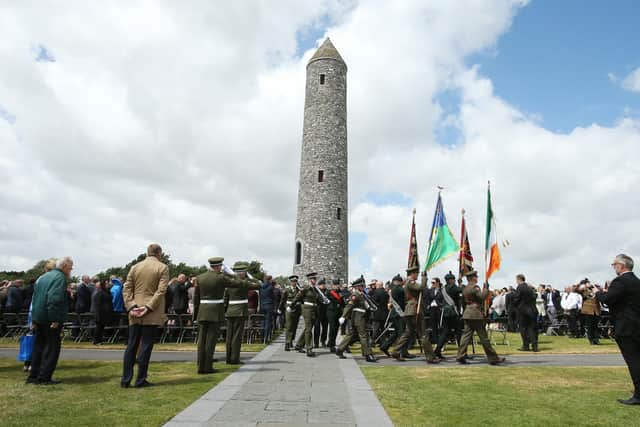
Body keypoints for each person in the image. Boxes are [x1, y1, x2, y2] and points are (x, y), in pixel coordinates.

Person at [121, 244, 169, 388]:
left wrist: (131, 306)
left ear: (147, 253)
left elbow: (127, 288)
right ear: (159, 253)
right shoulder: (162, 267)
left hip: (135, 310)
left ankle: (125, 379)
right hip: (151, 311)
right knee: (146, 346)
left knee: (131, 345)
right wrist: (148, 307)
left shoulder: (135, 267)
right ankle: (141, 379)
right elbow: (161, 291)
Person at [596, 254, 640, 405]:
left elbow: (607, 299)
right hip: (636, 324)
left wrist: (598, 293)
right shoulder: (636, 281)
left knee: (633, 361)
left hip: (626, 326)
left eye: (614, 264)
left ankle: (639, 395)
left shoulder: (621, 281)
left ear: (621, 265)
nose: (613, 267)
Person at [27, 257, 73, 385]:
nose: (71, 270)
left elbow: (35, 298)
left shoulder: (43, 277)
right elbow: (54, 299)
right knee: (52, 348)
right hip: (50, 318)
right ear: (64, 266)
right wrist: (55, 319)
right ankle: (44, 377)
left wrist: (34, 319)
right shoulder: (60, 278)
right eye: (70, 267)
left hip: (39, 316)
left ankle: (33, 376)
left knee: (38, 347)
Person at [193, 257, 241, 374]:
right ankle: (207, 367)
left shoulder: (200, 277)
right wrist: (233, 274)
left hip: (202, 311)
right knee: (210, 340)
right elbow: (238, 283)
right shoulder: (220, 277)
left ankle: (200, 366)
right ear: (219, 266)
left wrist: (195, 314)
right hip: (215, 312)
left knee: (201, 341)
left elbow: (196, 298)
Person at [456, 270, 505, 365]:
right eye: (476, 276)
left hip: (467, 313)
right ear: (473, 278)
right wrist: (486, 288)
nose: (477, 278)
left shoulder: (465, 288)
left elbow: (463, 302)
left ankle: (460, 355)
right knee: (484, 338)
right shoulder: (475, 287)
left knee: (465, 337)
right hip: (475, 315)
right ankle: (493, 358)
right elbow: (482, 297)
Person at [224, 262, 261, 364]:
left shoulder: (229, 282)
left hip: (230, 311)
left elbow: (225, 299)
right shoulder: (244, 282)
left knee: (229, 336)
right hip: (240, 311)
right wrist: (251, 277)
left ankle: (228, 358)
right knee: (236, 337)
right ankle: (234, 359)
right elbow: (259, 285)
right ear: (243, 273)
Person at [336, 277, 376, 362]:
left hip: (361, 316)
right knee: (363, 336)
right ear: (358, 286)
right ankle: (368, 355)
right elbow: (349, 306)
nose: (364, 286)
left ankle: (340, 349)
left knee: (351, 335)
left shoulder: (362, 294)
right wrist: (343, 316)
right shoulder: (355, 295)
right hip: (358, 317)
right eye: (362, 285)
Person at [434, 271, 464, 358]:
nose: (454, 281)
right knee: (458, 332)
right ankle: (462, 353)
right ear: (450, 280)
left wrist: (442, 307)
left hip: (445, 313)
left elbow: (437, 299)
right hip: (453, 313)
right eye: (453, 279)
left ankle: (437, 350)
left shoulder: (443, 289)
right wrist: (460, 283)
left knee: (445, 332)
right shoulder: (453, 287)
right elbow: (461, 290)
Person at [293, 272, 321, 357]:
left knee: (308, 328)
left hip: (313, 310)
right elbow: (298, 297)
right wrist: (292, 305)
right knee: (309, 329)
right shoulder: (306, 287)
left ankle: (299, 345)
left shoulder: (314, 289)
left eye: (315, 279)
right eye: (313, 279)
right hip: (307, 310)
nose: (314, 280)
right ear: (309, 280)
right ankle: (309, 349)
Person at [380, 274, 406, 357]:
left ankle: (385, 346)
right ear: (399, 282)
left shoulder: (392, 289)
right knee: (402, 333)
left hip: (394, 314)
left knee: (396, 333)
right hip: (398, 314)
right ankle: (402, 352)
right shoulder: (399, 289)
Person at [512, 274, 539, 352]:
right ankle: (535, 346)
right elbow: (534, 297)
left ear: (519, 279)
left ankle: (525, 345)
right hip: (532, 310)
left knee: (523, 328)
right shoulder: (530, 288)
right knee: (532, 329)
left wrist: (515, 306)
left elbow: (517, 299)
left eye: (516, 280)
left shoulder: (520, 287)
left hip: (523, 311)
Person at [279, 275, 301, 351]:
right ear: (290, 282)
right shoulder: (287, 289)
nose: (294, 283)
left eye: (295, 281)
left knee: (294, 326)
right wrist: (280, 308)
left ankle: (291, 340)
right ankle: (287, 343)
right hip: (288, 308)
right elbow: (283, 299)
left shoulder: (299, 289)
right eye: (292, 281)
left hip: (297, 309)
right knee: (289, 326)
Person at [91, 280, 113, 345]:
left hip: (104, 313)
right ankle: (96, 341)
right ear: (103, 285)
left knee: (101, 327)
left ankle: (99, 340)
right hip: (100, 313)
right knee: (99, 327)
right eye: (106, 283)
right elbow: (98, 304)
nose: (108, 284)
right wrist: (98, 314)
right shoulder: (100, 292)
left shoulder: (106, 291)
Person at [326, 278, 344, 353]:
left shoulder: (340, 292)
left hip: (338, 312)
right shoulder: (329, 293)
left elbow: (342, 302)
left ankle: (331, 342)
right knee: (332, 329)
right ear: (333, 285)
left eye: (338, 285)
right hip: (331, 312)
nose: (337, 286)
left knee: (336, 329)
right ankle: (331, 345)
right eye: (336, 285)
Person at [580, 281, 601, 345]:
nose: (589, 284)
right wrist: (586, 287)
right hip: (588, 311)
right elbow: (583, 293)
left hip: (596, 310)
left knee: (595, 326)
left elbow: (600, 293)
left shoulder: (595, 289)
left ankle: (596, 339)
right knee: (590, 326)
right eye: (588, 283)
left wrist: (595, 287)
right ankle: (591, 339)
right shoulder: (584, 290)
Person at [260, 275, 276, 344]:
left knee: (262, 323)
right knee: (267, 323)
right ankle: (265, 339)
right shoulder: (271, 287)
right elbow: (273, 297)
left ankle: (261, 338)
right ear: (269, 280)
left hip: (262, 306)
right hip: (269, 306)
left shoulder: (261, 287)